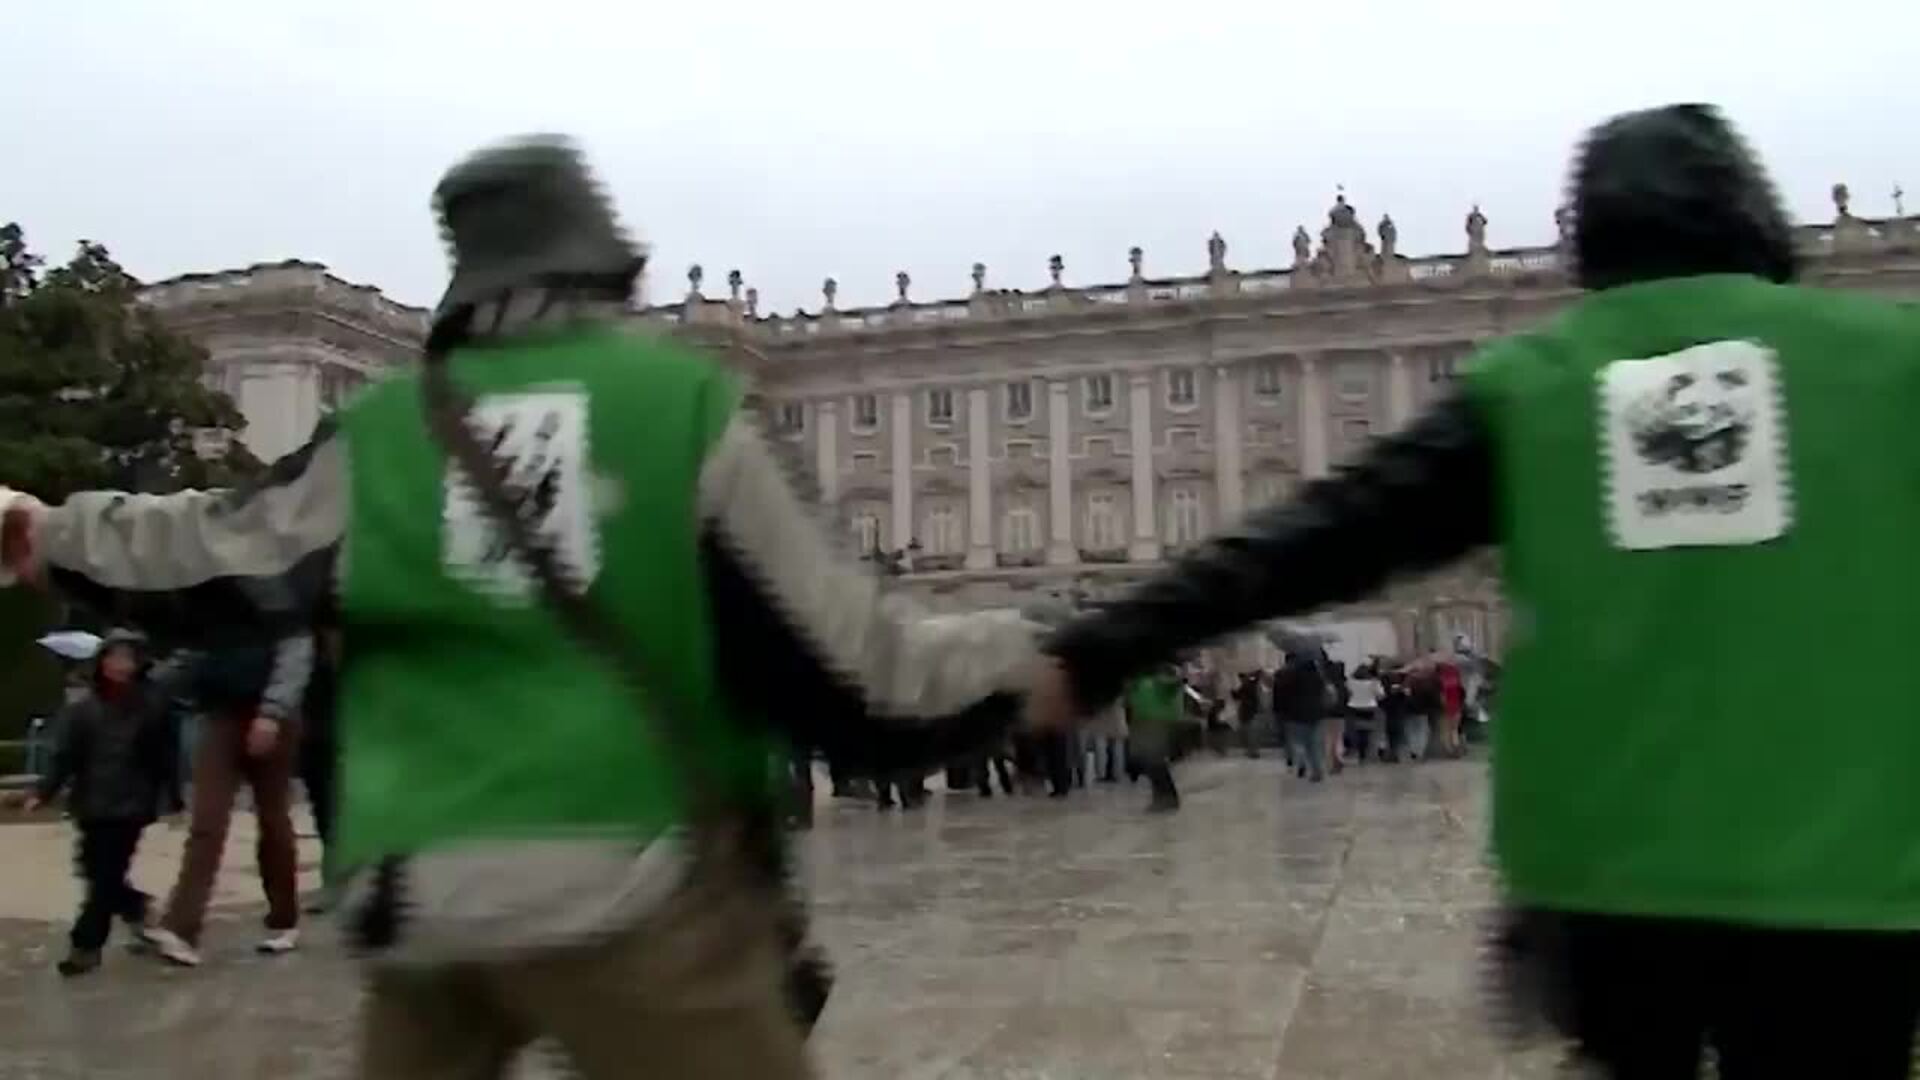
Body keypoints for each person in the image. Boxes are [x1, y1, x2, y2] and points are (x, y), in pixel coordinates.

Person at [0, 135, 1036, 1080]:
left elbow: (213, 548)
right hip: (619, 874)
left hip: (426, 889)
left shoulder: (389, 425)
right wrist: (1027, 655)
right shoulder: (673, 404)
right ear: (598, 269)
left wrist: (49, 533)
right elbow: (850, 656)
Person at [1029, 103, 1920, 1079]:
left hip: (1613, 881)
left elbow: (1318, 538)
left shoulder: (1545, 380)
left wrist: (1102, 646)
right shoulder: (1888, 360)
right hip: (1860, 877)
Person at [143, 634, 313, 967]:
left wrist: (273, 712)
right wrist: (150, 682)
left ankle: (283, 919)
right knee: (207, 820)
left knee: (272, 818)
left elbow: (294, 654)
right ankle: (181, 928)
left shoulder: (282, 595)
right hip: (220, 715)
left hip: (271, 716)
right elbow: (191, 652)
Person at [18, 629, 177, 976]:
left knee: (104, 879)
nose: (120, 665)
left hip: (131, 804)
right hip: (91, 803)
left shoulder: (151, 706)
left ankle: (85, 946)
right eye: (113, 657)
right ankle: (136, 906)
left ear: (138, 664)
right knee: (92, 869)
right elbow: (65, 758)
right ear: (101, 661)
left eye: (128, 658)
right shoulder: (83, 710)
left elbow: (165, 756)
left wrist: (170, 798)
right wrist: (42, 792)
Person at [1122, 665, 1182, 813]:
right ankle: (1164, 797)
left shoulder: (1158, 678)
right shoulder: (1138, 681)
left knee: (1154, 761)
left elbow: (1174, 685)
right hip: (1142, 721)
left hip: (1157, 721)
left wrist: (1173, 678)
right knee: (1150, 762)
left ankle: (1166, 798)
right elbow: (1128, 698)